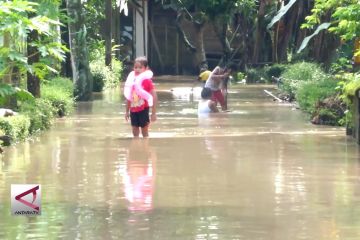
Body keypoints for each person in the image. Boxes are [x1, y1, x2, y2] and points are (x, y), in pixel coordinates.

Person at [124, 56, 157, 137]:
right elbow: (128, 97)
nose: (137, 69)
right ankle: (136, 146)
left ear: (145, 69)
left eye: (140, 67)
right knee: (134, 130)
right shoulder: (131, 81)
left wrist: (153, 113)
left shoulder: (147, 81)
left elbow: (154, 96)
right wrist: (127, 111)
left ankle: (145, 147)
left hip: (143, 109)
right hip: (133, 109)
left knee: (144, 131)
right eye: (135, 67)